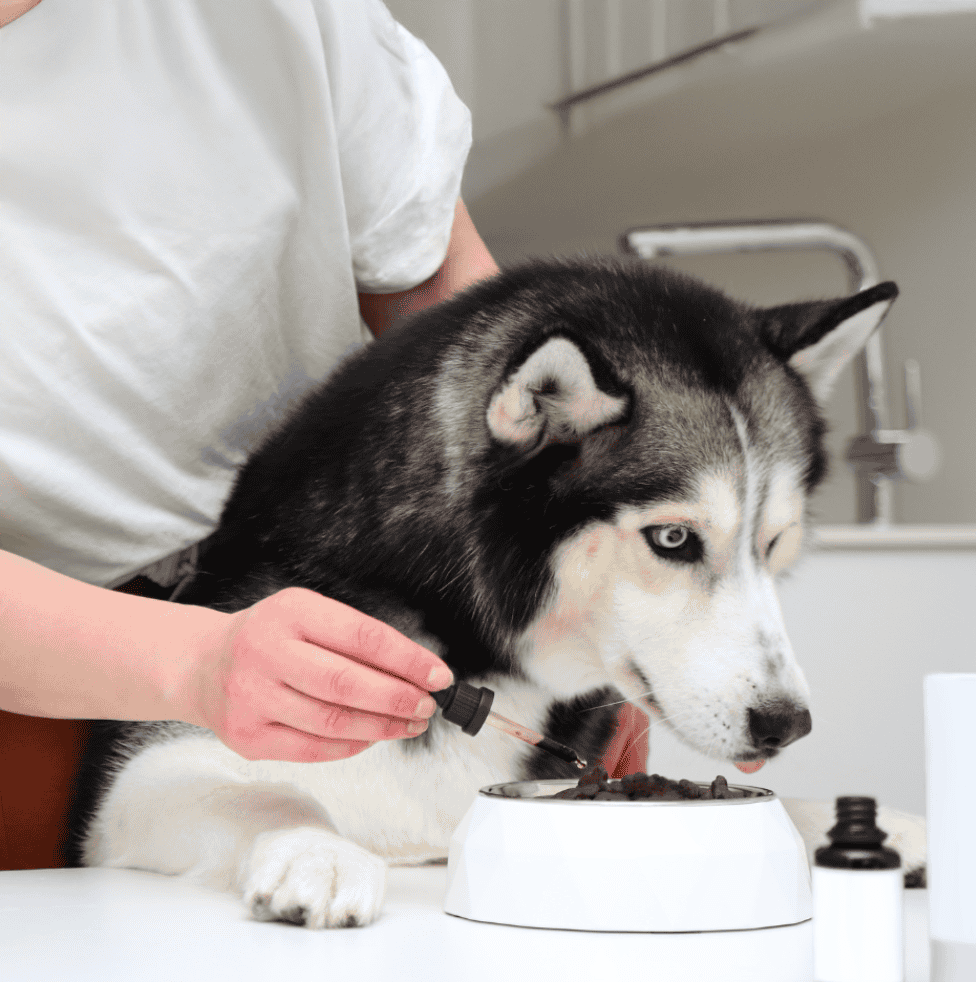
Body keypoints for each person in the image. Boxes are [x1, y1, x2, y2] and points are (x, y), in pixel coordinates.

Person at [0, 0, 648, 868]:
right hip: (34, 675)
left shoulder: (285, 17)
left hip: (345, 625)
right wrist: (197, 661)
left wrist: (605, 592)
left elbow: (457, 326)